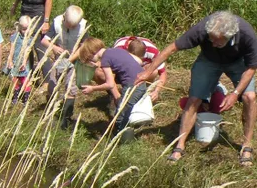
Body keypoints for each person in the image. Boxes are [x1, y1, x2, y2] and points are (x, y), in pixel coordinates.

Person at [135, 11, 257, 165]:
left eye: (217, 40)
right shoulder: (203, 29)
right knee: (194, 99)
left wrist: (235, 93)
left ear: (230, 36)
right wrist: (148, 71)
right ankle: (180, 146)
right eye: (210, 38)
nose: (212, 43)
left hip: (238, 62)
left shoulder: (247, 34)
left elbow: (252, 67)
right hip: (208, 60)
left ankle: (247, 145)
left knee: (250, 97)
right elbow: (172, 48)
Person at [79, 37, 146, 138]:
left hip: (133, 87)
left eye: (89, 58)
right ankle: (125, 135)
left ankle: (119, 140)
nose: (90, 61)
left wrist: (92, 88)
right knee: (124, 110)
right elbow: (137, 61)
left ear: (92, 52)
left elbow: (110, 84)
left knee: (120, 115)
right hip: (141, 82)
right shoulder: (116, 50)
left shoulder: (105, 59)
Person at [41, 5, 88, 126]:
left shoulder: (82, 26)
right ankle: (50, 111)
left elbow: (84, 46)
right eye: (69, 25)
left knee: (71, 88)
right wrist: (54, 47)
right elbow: (44, 40)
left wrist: (72, 58)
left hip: (74, 61)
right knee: (52, 84)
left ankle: (66, 118)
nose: (72, 27)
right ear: (64, 18)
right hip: (58, 60)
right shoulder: (56, 23)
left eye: (74, 26)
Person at [113, 36, 167, 101]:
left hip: (142, 70)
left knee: (154, 71)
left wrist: (156, 91)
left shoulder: (153, 51)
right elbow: (110, 72)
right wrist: (116, 95)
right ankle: (113, 95)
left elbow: (163, 73)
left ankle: (142, 92)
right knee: (101, 74)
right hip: (122, 71)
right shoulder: (119, 50)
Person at [6, 16, 34, 104]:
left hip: (24, 63)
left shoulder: (30, 38)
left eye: (27, 29)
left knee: (25, 80)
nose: (25, 31)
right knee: (15, 80)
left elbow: (27, 51)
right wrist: (10, 60)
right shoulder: (15, 36)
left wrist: (24, 62)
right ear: (19, 27)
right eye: (23, 29)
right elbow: (12, 49)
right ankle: (15, 95)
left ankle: (26, 97)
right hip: (15, 61)